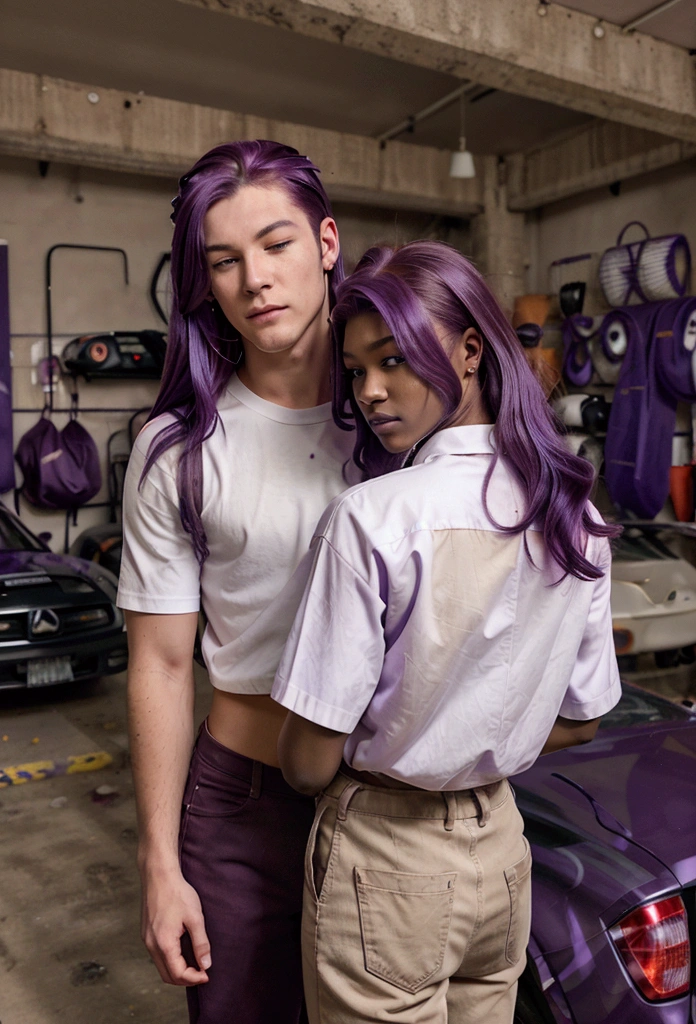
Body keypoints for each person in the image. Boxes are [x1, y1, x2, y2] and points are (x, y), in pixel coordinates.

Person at [272, 241, 622, 1024]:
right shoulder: (575, 515)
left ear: (470, 351)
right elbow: (584, 715)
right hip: (502, 847)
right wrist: (478, 728)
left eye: (392, 359)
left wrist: (407, 735)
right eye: (356, 370)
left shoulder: (373, 518)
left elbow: (304, 762)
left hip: (387, 849)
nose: (369, 390)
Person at [117, 140, 358, 1024]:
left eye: (277, 243)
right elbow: (163, 665)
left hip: (391, 804)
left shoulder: (407, 423)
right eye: (225, 260)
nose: (255, 278)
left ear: (327, 243)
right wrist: (159, 859)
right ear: (205, 281)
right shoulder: (179, 450)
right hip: (243, 808)